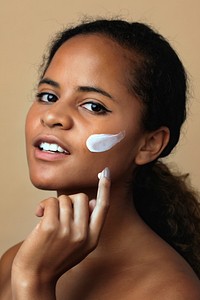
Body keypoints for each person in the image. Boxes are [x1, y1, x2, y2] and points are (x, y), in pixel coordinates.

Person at [0, 18, 200, 300]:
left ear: (149, 144)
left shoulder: (172, 292)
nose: (53, 116)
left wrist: (35, 283)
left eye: (93, 105)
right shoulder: (14, 261)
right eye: (47, 95)